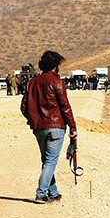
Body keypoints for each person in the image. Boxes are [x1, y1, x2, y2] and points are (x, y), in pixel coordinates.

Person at [20, 50, 77, 203]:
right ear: (55, 66)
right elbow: (65, 107)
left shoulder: (32, 83)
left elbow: (24, 107)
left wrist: (33, 119)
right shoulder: (57, 82)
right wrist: (73, 127)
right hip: (56, 127)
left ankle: (53, 192)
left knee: (47, 160)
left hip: (39, 128)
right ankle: (41, 193)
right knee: (50, 161)